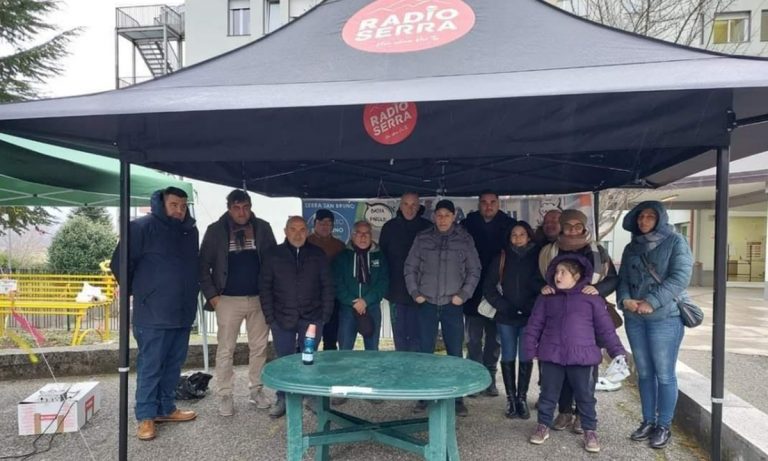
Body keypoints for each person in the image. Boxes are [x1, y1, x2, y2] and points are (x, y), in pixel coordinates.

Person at [110, 187, 199, 441]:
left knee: (173, 365)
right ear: (161, 204)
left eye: (183, 205)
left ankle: (166, 408)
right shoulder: (141, 227)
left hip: (182, 312)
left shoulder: (189, 231)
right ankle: (146, 417)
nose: (179, 210)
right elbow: (120, 264)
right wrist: (141, 291)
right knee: (151, 366)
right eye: (174, 204)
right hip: (152, 313)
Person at [524, 254, 627, 453]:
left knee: (585, 396)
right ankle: (543, 426)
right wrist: (529, 349)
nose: (557, 276)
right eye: (556, 272)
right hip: (552, 355)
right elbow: (534, 325)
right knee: (547, 394)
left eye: (563, 272)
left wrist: (618, 352)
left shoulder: (592, 298)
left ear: (577, 275)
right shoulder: (546, 298)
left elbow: (605, 329)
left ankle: (590, 430)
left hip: (582, 357)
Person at [617, 201, 693, 449]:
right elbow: (624, 279)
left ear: (660, 218)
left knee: (664, 374)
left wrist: (651, 301)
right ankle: (648, 420)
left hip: (665, 318)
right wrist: (624, 299)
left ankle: (664, 425)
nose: (644, 220)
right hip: (635, 319)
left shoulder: (676, 241)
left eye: (650, 216)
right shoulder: (631, 247)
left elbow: (680, 276)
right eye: (641, 216)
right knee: (645, 372)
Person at [538, 208, 618, 434]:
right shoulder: (548, 251)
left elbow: (613, 279)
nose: (573, 230)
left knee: (587, 369)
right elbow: (538, 277)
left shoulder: (598, 251)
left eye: (577, 226)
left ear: (584, 228)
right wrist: (544, 288)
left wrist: (598, 289)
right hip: (557, 315)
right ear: (561, 227)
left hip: (587, 318)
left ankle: (583, 415)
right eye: (568, 226)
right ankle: (564, 412)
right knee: (559, 364)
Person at [198, 189, 277, 417]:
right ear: (229, 208)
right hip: (227, 300)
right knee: (225, 350)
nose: (241, 212)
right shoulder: (215, 231)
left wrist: (271, 293)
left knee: (259, 348)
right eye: (236, 208)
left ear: (250, 206)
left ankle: (256, 390)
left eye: (245, 207)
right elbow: (202, 267)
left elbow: (273, 262)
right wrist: (213, 296)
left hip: (259, 298)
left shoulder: (263, 227)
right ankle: (225, 394)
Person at [404, 199, 481, 417]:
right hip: (426, 303)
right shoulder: (423, 238)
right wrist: (415, 293)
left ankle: (456, 399)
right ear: (434, 217)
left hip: (452, 305)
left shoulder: (464, 239)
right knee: (424, 353)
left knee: (455, 353)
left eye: (447, 215)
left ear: (454, 216)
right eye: (439, 215)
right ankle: (424, 397)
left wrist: (463, 295)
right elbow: (410, 267)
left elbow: (474, 270)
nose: (443, 219)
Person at [259, 216, 334, 418]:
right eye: (293, 229)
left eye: (302, 229)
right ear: (285, 231)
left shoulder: (317, 254)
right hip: (282, 318)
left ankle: (310, 396)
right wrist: (270, 317)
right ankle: (283, 397)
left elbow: (327, 286)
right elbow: (265, 288)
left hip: (312, 318)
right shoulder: (273, 255)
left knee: (309, 359)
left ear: (307, 231)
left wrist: (324, 316)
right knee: (284, 360)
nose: (298, 233)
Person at [483, 221, 544, 420]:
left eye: (522, 234)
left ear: (529, 236)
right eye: (514, 235)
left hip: (529, 316)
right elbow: (489, 288)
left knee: (526, 355)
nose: (518, 238)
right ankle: (510, 399)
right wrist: (505, 306)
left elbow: (544, 286)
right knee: (508, 353)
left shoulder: (538, 257)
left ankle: (522, 399)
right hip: (505, 316)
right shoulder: (500, 257)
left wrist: (529, 306)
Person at [461, 190, 515, 397]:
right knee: (473, 339)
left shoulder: (509, 225)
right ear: (478, 204)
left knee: (495, 339)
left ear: (499, 204)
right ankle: (474, 378)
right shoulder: (468, 224)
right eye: (484, 202)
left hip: (499, 291)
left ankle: (490, 378)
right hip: (472, 289)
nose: (488, 206)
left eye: (492, 202)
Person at [379, 192, 431, 352]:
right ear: (400, 206)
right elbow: (382, 259)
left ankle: (416, 375)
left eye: (413, 204)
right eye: (406, 204)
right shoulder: (389, 227)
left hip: (422, 293)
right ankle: (401, 375)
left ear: (419, 206)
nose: (410, 208)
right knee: (400, 338)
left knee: (418, 338)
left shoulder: (428, 227)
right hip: (396, 293)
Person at [333, 221, 389, 351]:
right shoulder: (342, 257)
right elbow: (337, 284)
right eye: (359, 233)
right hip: (348, 309)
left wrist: (366, 301)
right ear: (352, 235)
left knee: (372, 350)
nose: (363, 237)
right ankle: (346, 372)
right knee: (345, 349)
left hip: (372, 308)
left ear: (371, 235)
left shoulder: (380, 257)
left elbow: (383, 282)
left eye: (367, 233)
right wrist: (353, 302)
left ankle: (370, 372)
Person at [307, 209, 345, 351]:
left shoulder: (340, 246)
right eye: (321, 222)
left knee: (331, 340)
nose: (325, 226)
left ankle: (330, 371)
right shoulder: (306, 242)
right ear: (315, 223)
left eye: (329, 223)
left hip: (333, 299)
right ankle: (307, 370)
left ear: (333, 226)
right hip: (310, 300)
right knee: (308, 340)